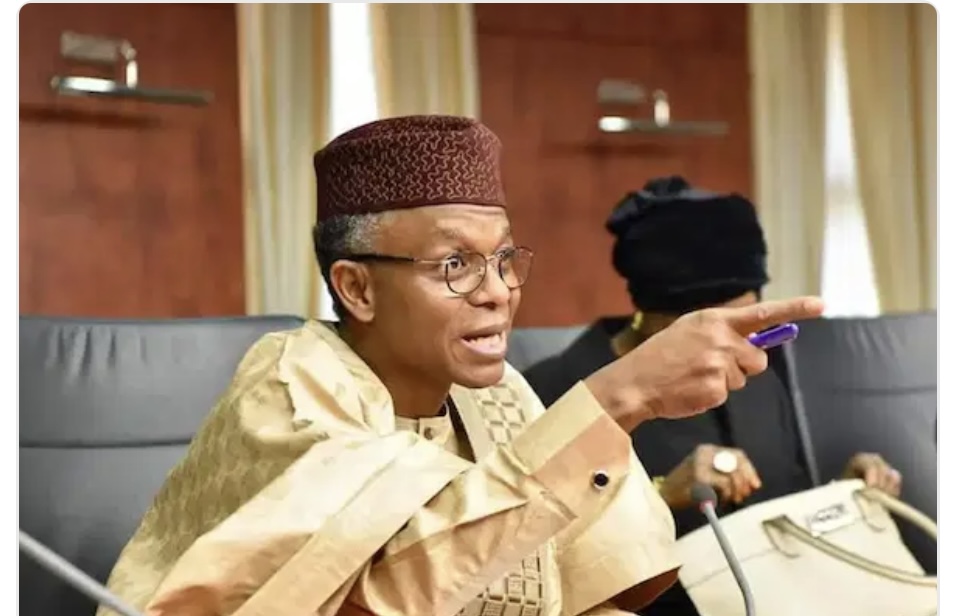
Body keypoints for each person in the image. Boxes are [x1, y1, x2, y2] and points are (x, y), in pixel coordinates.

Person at [97, 119, 824, 616]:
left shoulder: (501, 393)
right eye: (455, 264)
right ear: (357, 288)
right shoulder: (291, 387)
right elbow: (374, 600)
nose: (498, 290)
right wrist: (618, 398)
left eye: (504, 258)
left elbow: (595, 588)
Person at [523, 176, 901, 616]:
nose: (743, 349)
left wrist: (844, 495)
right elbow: (528, 557)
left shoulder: (757, 370)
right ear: (660, 321)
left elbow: (780, 511)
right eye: (726, 330)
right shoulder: (551, 392)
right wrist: (662, 494)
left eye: (751, 327)